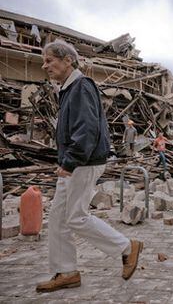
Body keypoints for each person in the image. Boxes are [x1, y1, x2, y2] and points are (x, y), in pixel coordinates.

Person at [36, 40, 143, 293]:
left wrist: (71, 161)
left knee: (76, 216)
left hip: (82, 162)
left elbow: (87, 129)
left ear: (68, 60)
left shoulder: (81, 86)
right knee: (58, 219)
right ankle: (67, 271)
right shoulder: (68, 89)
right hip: (74, 162)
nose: (45, 65)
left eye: (50, 60)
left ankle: (127, 247)